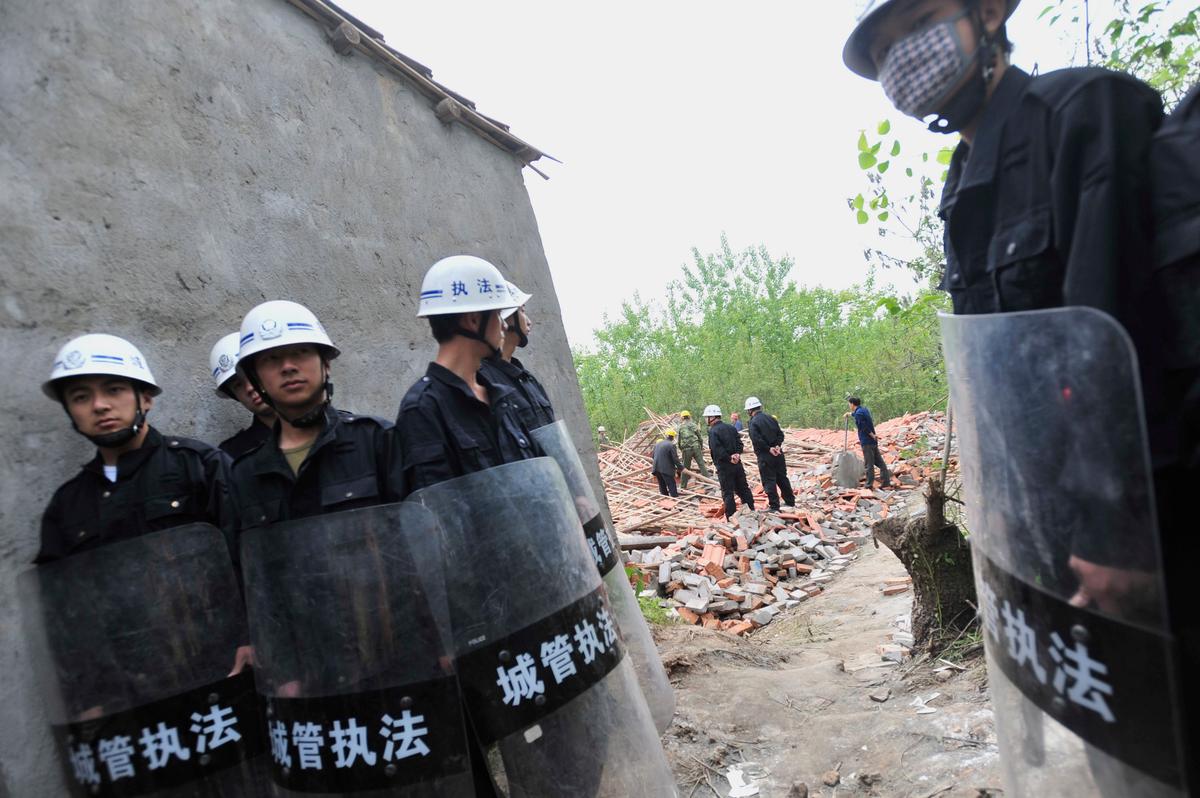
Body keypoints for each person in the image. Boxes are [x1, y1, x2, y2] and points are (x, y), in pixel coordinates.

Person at [37, 333, 234, 564]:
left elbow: (247, 557)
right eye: (80, 397)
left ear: (146, 399)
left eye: (114, 390)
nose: (99, 405)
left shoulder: (201, 465)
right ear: (69, 411)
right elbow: (56, 584)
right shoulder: (67, 503)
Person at [229, 300, 399, 526]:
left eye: (300, 352)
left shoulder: (377, 440)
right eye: (271, 358)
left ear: (326, 364)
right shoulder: (245, 474)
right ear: (256, 379)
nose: (288, 367)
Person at [396, 255, 541, 493]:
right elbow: (439, 506)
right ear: (473, 320)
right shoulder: (423, 409)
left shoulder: (501, 398)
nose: (504, 325)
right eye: (497, 315)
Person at [478, 280, 557, 430]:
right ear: (503, 317)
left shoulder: (528, 379)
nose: (529, 322)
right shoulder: (483, 380)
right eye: (522, 311)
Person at [209, 331, 277, 458]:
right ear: (234, 396)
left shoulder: (315, 429)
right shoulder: (231, 455)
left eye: (252, 375)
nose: (249, 388)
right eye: (238, 385)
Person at [704, 404, 755, 520]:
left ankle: (731, 517)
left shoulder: (713, 432)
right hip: (737, 464)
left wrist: (729, 458)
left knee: (728, 492)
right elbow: (740, 444)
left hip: (724, 467)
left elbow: (717, 450)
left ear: (712, 417)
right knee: (743, 488)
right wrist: (737, 454)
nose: (706, 419)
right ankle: (751, 511)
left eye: (707, 417)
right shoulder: (731, 428)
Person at [745, 397, 795, 511]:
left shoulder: (753, 422)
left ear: (749, 410)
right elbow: (780, 434)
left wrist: (768, 449)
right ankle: (790, 501)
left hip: (765, 456)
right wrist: (777, 446)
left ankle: (774, 506)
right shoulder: (771, 418)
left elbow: (756, 440)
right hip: (778, 454)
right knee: (782, 478)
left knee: (769, 481)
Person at [843, 397, 891, 489]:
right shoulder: (863, 410)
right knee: (880, 462)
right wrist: (849, 414)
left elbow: (863, 427)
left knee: (869, 464)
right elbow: (857, 415)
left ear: (852, 404)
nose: (849, 405)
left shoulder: (858, 414)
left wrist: (872, 435)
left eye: (849, 404)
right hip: (872, 441)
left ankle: (868, 485)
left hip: (867, 441)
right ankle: (886, 482)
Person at [676, 409, 711, 490]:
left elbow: (679, 441)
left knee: (685, 468)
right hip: (696, 447)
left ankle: (683, 486)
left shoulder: (680, 427)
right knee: (701, 465)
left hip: (686, 449)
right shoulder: (694, 425)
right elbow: (700, 437)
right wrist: (700, 447)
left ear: (682, 418)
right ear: (689, 417)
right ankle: (709, 482)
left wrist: (681, 449)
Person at [652, 429, 682, 497]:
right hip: (665, 469)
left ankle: (665, 498)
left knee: (662, 484)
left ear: (666, 436)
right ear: (673, 437)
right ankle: (674, 498)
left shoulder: (658, 444)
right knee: (671, 484)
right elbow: (675, 459)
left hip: (656, 468)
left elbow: (653, 456)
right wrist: (681, 467)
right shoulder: (671, 445)